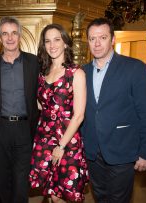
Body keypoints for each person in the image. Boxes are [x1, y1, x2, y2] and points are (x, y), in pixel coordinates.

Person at [82, 18, 146, 203]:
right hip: (92, 151)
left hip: (123, 149)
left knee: (118, 200)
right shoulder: (82, 72)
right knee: (100, 197)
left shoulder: (134, 68)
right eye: (92, 39)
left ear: (113, 39)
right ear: (88, 42)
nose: (97, 43)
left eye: (103, 37)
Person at [0, 16, 39, 203]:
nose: (10, 38)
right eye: (5, 33)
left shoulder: (34, 63)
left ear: (20, 35)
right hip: (1, 129)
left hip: (25, 129)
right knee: (1, 180)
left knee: (22, 182)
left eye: (14, 33)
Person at [29, 24, 88, 202]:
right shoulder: (43, 73)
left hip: (66, 140)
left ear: (65, 43)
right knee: (52, 194)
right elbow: (43, 105)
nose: (52, 45)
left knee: (64, 194)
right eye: (47, 41)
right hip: (44, 137)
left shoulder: (76, 73)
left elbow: (79, 115)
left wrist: (61, 146)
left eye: (57, 39)